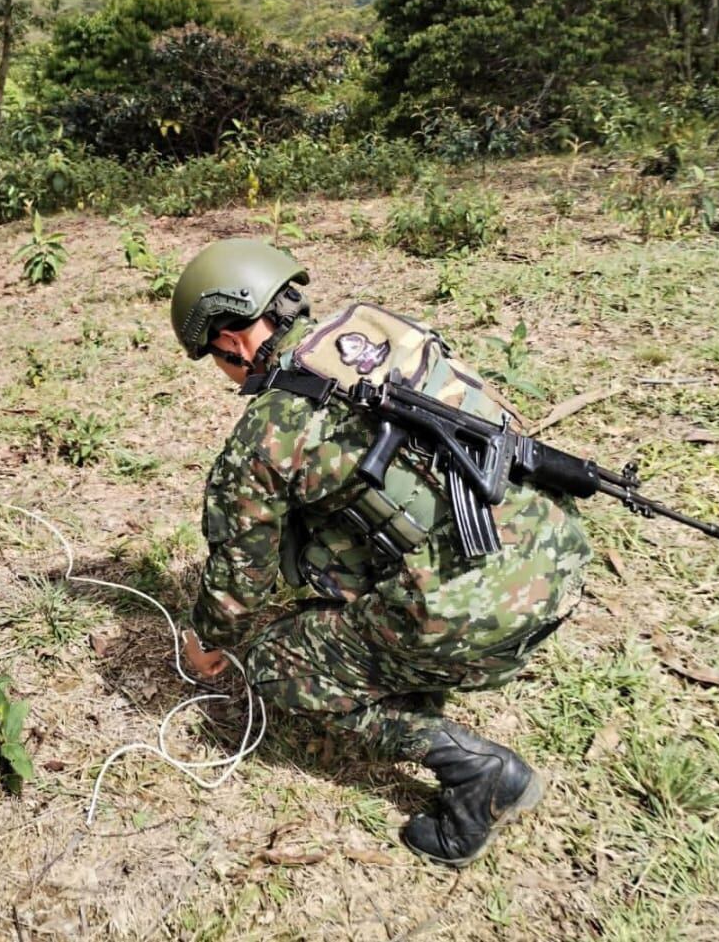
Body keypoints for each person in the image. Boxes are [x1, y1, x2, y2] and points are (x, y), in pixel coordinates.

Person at [170, 238, 592, 867]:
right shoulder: (378, 338)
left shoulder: (264, 436)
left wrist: (207, 642)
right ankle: (405, 660)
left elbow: (239, 585)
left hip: (483, 608)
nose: (224, 369)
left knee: (272, 666)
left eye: (214, 355)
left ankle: (479, 775)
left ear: (231, 338)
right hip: (558, 550)